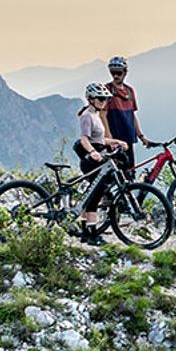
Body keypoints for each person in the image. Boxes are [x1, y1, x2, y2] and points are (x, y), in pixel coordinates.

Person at [75, 81, 127, 241]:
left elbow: (100, 139)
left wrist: (117, 141)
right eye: (100, 99)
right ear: (91, 99)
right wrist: (92, 152)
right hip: (91, 160)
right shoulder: (87, 116)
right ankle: (93, 235)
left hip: (99, 155)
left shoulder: (96, 115)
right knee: (96, 193)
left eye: (105, 99)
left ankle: (85, 234)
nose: (104, 102)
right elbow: (84, 138)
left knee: (93, 193)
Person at [103, 55, 153, 179]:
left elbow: (132, 115)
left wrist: (141, 136)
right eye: (113, 72)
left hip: (128, 139)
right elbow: (102, 114)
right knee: (116, 174)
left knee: (130, 172)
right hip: (115, 140)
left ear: (125, 72)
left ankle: (127, 197)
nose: (115, 76)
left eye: (119, 73)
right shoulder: (107, 90)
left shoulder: (129, 91)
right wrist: (109, 138)